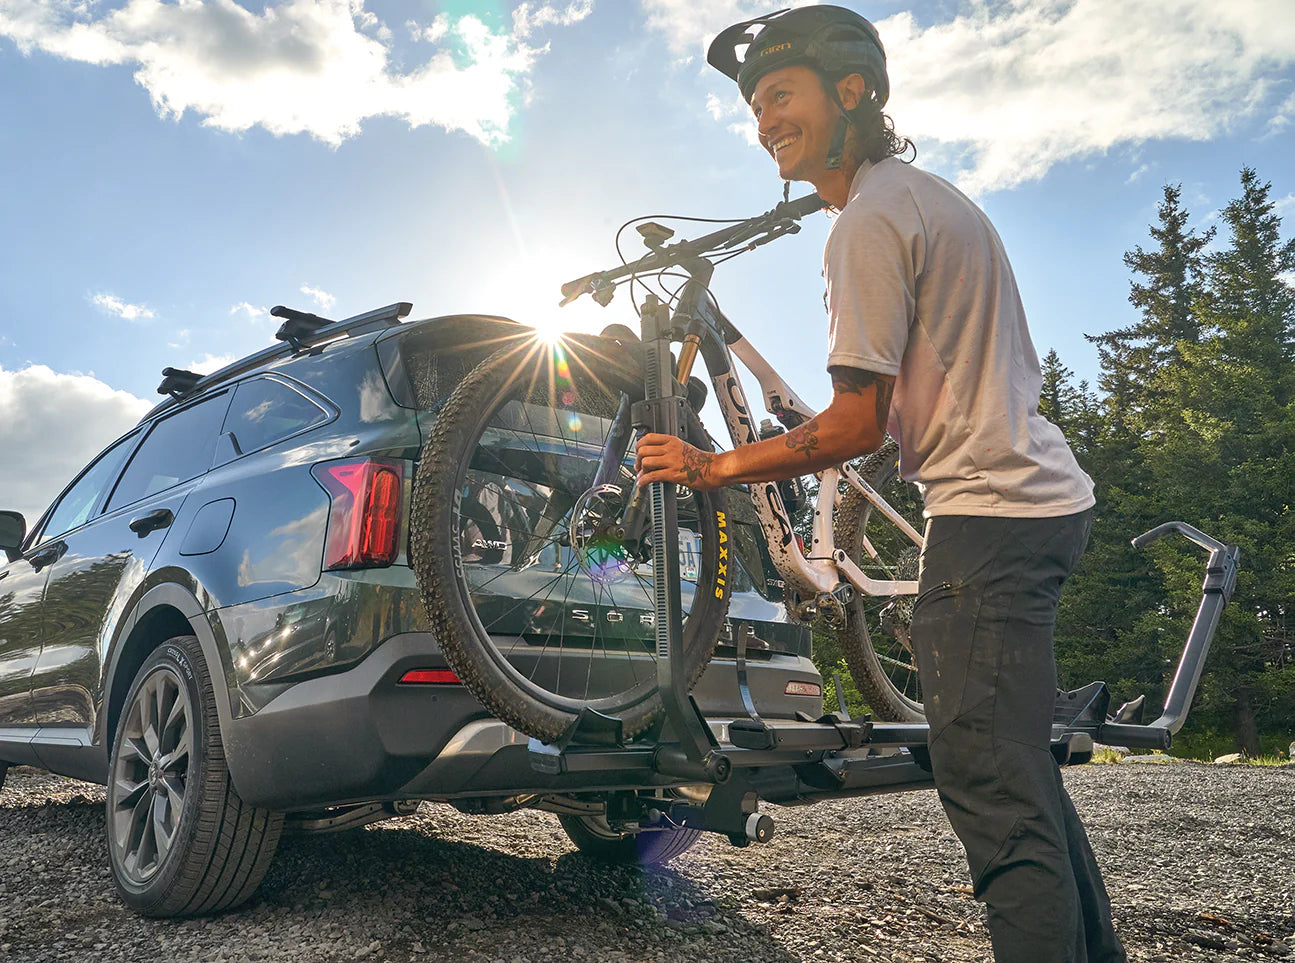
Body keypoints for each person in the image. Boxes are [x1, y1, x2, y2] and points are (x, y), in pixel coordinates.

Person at [634, 6, 1126, 962]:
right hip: (1027, 503)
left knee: (988, 786)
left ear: (850, 90)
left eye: (780, 95)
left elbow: (854, 426)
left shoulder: (867, 220)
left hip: (989, 516)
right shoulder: (915, 197)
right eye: (753, 107)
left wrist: (709, 465)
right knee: (1018, 777)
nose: (763, 120)